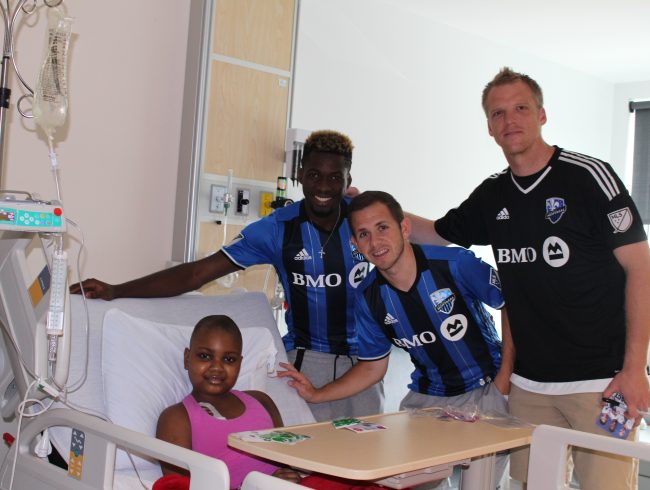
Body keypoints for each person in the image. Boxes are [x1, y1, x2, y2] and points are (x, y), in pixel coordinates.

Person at [407, 67, 650, 489]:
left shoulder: (589, 176)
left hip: (599, 383)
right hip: (528, 387)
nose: (510, 120)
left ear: (541, 114)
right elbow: (436, 232)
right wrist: (371, 211)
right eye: (498, 113)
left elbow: (641, 269)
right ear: (489, 127)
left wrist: (635, 369)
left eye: (520, 108)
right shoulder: (493, 194)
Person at [70, 130, 383, 422]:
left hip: (366, 363)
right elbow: (197, 273)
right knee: (305, 461)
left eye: (334, 177)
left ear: (348, 179)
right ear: (301, 175)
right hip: (304, 362)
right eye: (314, 175)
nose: (324, 187)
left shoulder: (366, 218)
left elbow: (413, 246)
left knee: (367, 461)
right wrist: (116, 290)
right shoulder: (277, 229)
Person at [279, 190, 514, 488]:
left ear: (404, 228)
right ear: (355, 244)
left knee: (479, 485)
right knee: (402, 481)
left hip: (485, 389)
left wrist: (503, 383)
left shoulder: (455, 264)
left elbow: (512, 306)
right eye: (363, 234)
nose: (375, 242)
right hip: (428, 401)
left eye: (382, 228)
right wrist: (316, 393)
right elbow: (372, 367)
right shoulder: (368, 297)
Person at [155, 314, 302, 489]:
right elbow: (180, 486)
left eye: (229, 359)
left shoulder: (261, 401)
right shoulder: (177, 418)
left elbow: (285, 461)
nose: (217, 367)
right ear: (187, 358)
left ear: (239, 364)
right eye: (205, 356)